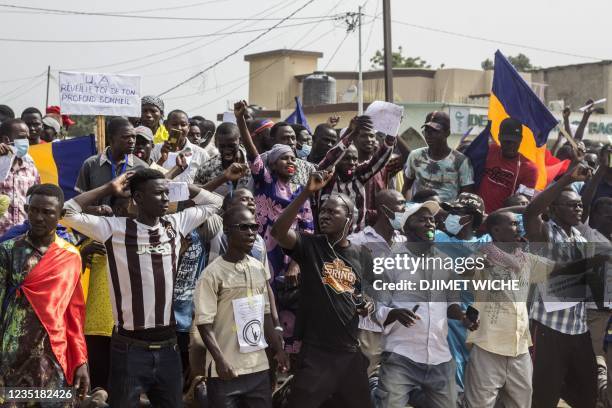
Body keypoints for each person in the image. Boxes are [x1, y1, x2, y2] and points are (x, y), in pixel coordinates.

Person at [60, 166, 235, 407]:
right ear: (138, 198)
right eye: (158, 194)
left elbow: (216, 203)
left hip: (168, 348)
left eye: (167, 194)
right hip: (129, 349)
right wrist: (109, 188)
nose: (166, 199)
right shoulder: (115, 229)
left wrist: (175, 186)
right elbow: (67, 211)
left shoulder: (176, 224)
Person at [271, 170, 375, 408]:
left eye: (332, 212)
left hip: (350, 352)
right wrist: (306, 192)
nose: (324, 216)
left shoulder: (361, 255)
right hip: (318, 352)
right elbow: (278, 232)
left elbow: (367, 293)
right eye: (323, 211)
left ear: (349, 218)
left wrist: (367, 302)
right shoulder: (311, 245)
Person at [374, 200, 478, 408]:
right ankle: (375, 388)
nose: (430, 224)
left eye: (432, 220)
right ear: (407, 228)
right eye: (422, 220)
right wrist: (395, 314)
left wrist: (463, 317)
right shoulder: (389, 261)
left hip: (440, 358)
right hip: (401, 355)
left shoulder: (444, 262)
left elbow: (451, 304)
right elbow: (377, 309)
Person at [0, 184, 89, 401]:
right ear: (26, 209)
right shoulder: (8, 251)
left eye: (47, 212)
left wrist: (80, 360)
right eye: (34, 210)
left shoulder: (71, 256)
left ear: (60, 215)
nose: (39, 217)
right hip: (11, 358)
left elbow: (73, 314)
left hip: (54, 358)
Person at [194, 205, 289, 408]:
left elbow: (264, 315)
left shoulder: (258, 268)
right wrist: (220, 361)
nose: (251, 233)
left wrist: (278, 350)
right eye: (243, 227)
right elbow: (204, 324)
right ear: (227, 230)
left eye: (254, 227)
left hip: (258, 368)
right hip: (225, 371)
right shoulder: (211, 275)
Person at [524, 162, 599, 407]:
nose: (578, 208)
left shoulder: (579, 237)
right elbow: (531, 212)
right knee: (543, 398)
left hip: (578, 329)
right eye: (571, 204)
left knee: (587, 396)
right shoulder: (545, 233)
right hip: (549, 329)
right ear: (554, 209)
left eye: (580, 204)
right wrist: (567, 179)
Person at [463, 211, 551, 407]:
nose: (518, 227)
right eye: (512, 224)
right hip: (488, 345)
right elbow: (464, 270)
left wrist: (592, 262)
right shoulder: (483, 255)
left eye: (517, 223)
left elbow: (559, 269)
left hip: (519, 348)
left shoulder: (526, 260)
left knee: (521, 404)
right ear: (496, 230)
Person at [234, 101, 313, 281]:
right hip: (259, 249)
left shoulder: (302, 192)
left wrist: (296, 263)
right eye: (284, 159)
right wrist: (240, 120)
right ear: (273, 164)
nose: (290, 162)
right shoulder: (265, 180)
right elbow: (252, 152)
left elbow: (307, 230)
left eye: (293, 159)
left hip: (288, 254)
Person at [348, 189, 407, 374]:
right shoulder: (358, 241)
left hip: (400, 329)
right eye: (401, 204)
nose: (405, 209)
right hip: (369, 328)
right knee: (362, 380)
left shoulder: (407, 242)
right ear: (385, 209)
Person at [315, 116, 395, 233]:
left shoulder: (359, 177)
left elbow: (379, 160)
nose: (351, 163)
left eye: (354, 159)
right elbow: (331, 157)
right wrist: (353, 133)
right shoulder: (326, 178)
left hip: (355, 241)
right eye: (346, 159)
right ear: (338, 160)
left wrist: (392, 134)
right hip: (326, 240)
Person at [402, 111, 474, 202]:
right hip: (419, 212)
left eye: (435, 131)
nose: (429, 135)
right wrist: (406, 207)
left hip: (447, 214)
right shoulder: (415, 156)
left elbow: (466, 197)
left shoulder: (461, 161)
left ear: (447, 133)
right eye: (427, 131)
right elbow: (406, 187)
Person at [76, 117, 148, 205]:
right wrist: (95, 210)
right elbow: (79, 202)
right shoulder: (91, 164)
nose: (131, 141)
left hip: (127, 218)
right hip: (96, 218)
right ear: (111, 139)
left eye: (133, 137)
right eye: (126, 137)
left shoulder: (142, 168)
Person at [476, 117, 538, 213]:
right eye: (507, 142)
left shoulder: (529, 168)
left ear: (520, 140)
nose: (511, 146)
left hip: (502, 223)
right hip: (476, 218)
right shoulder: (489, 150)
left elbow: (523, 204)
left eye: (514, 142)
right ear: (499, 137)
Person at [0, 119, 40, 235]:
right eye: (22, 137)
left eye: (27, 138)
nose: (27, 142)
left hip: (22, 239)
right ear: (6, 140)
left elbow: (36, 200)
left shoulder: (31, 169)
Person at [150, 109, 210, 183]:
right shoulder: (155, 149)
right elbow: (149, 179)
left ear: (188, 127)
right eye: (174, 124)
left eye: (183, 125)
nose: (179, 128)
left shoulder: (201, 154)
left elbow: (206, 182)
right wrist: (162, 160)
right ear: (165, 125)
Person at [194, 122, 252, 196]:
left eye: (231, 146)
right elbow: (195, 196)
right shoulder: (206, 168)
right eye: (222, 146)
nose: (227, 150)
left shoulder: (253, 165)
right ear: (216, 143)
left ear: (240, 140)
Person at [261, 121, 316, 187]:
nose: (291, 142)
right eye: (285, 138)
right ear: (272, 141)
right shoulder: (262, 164)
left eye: (293, 138)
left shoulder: (308, 168)